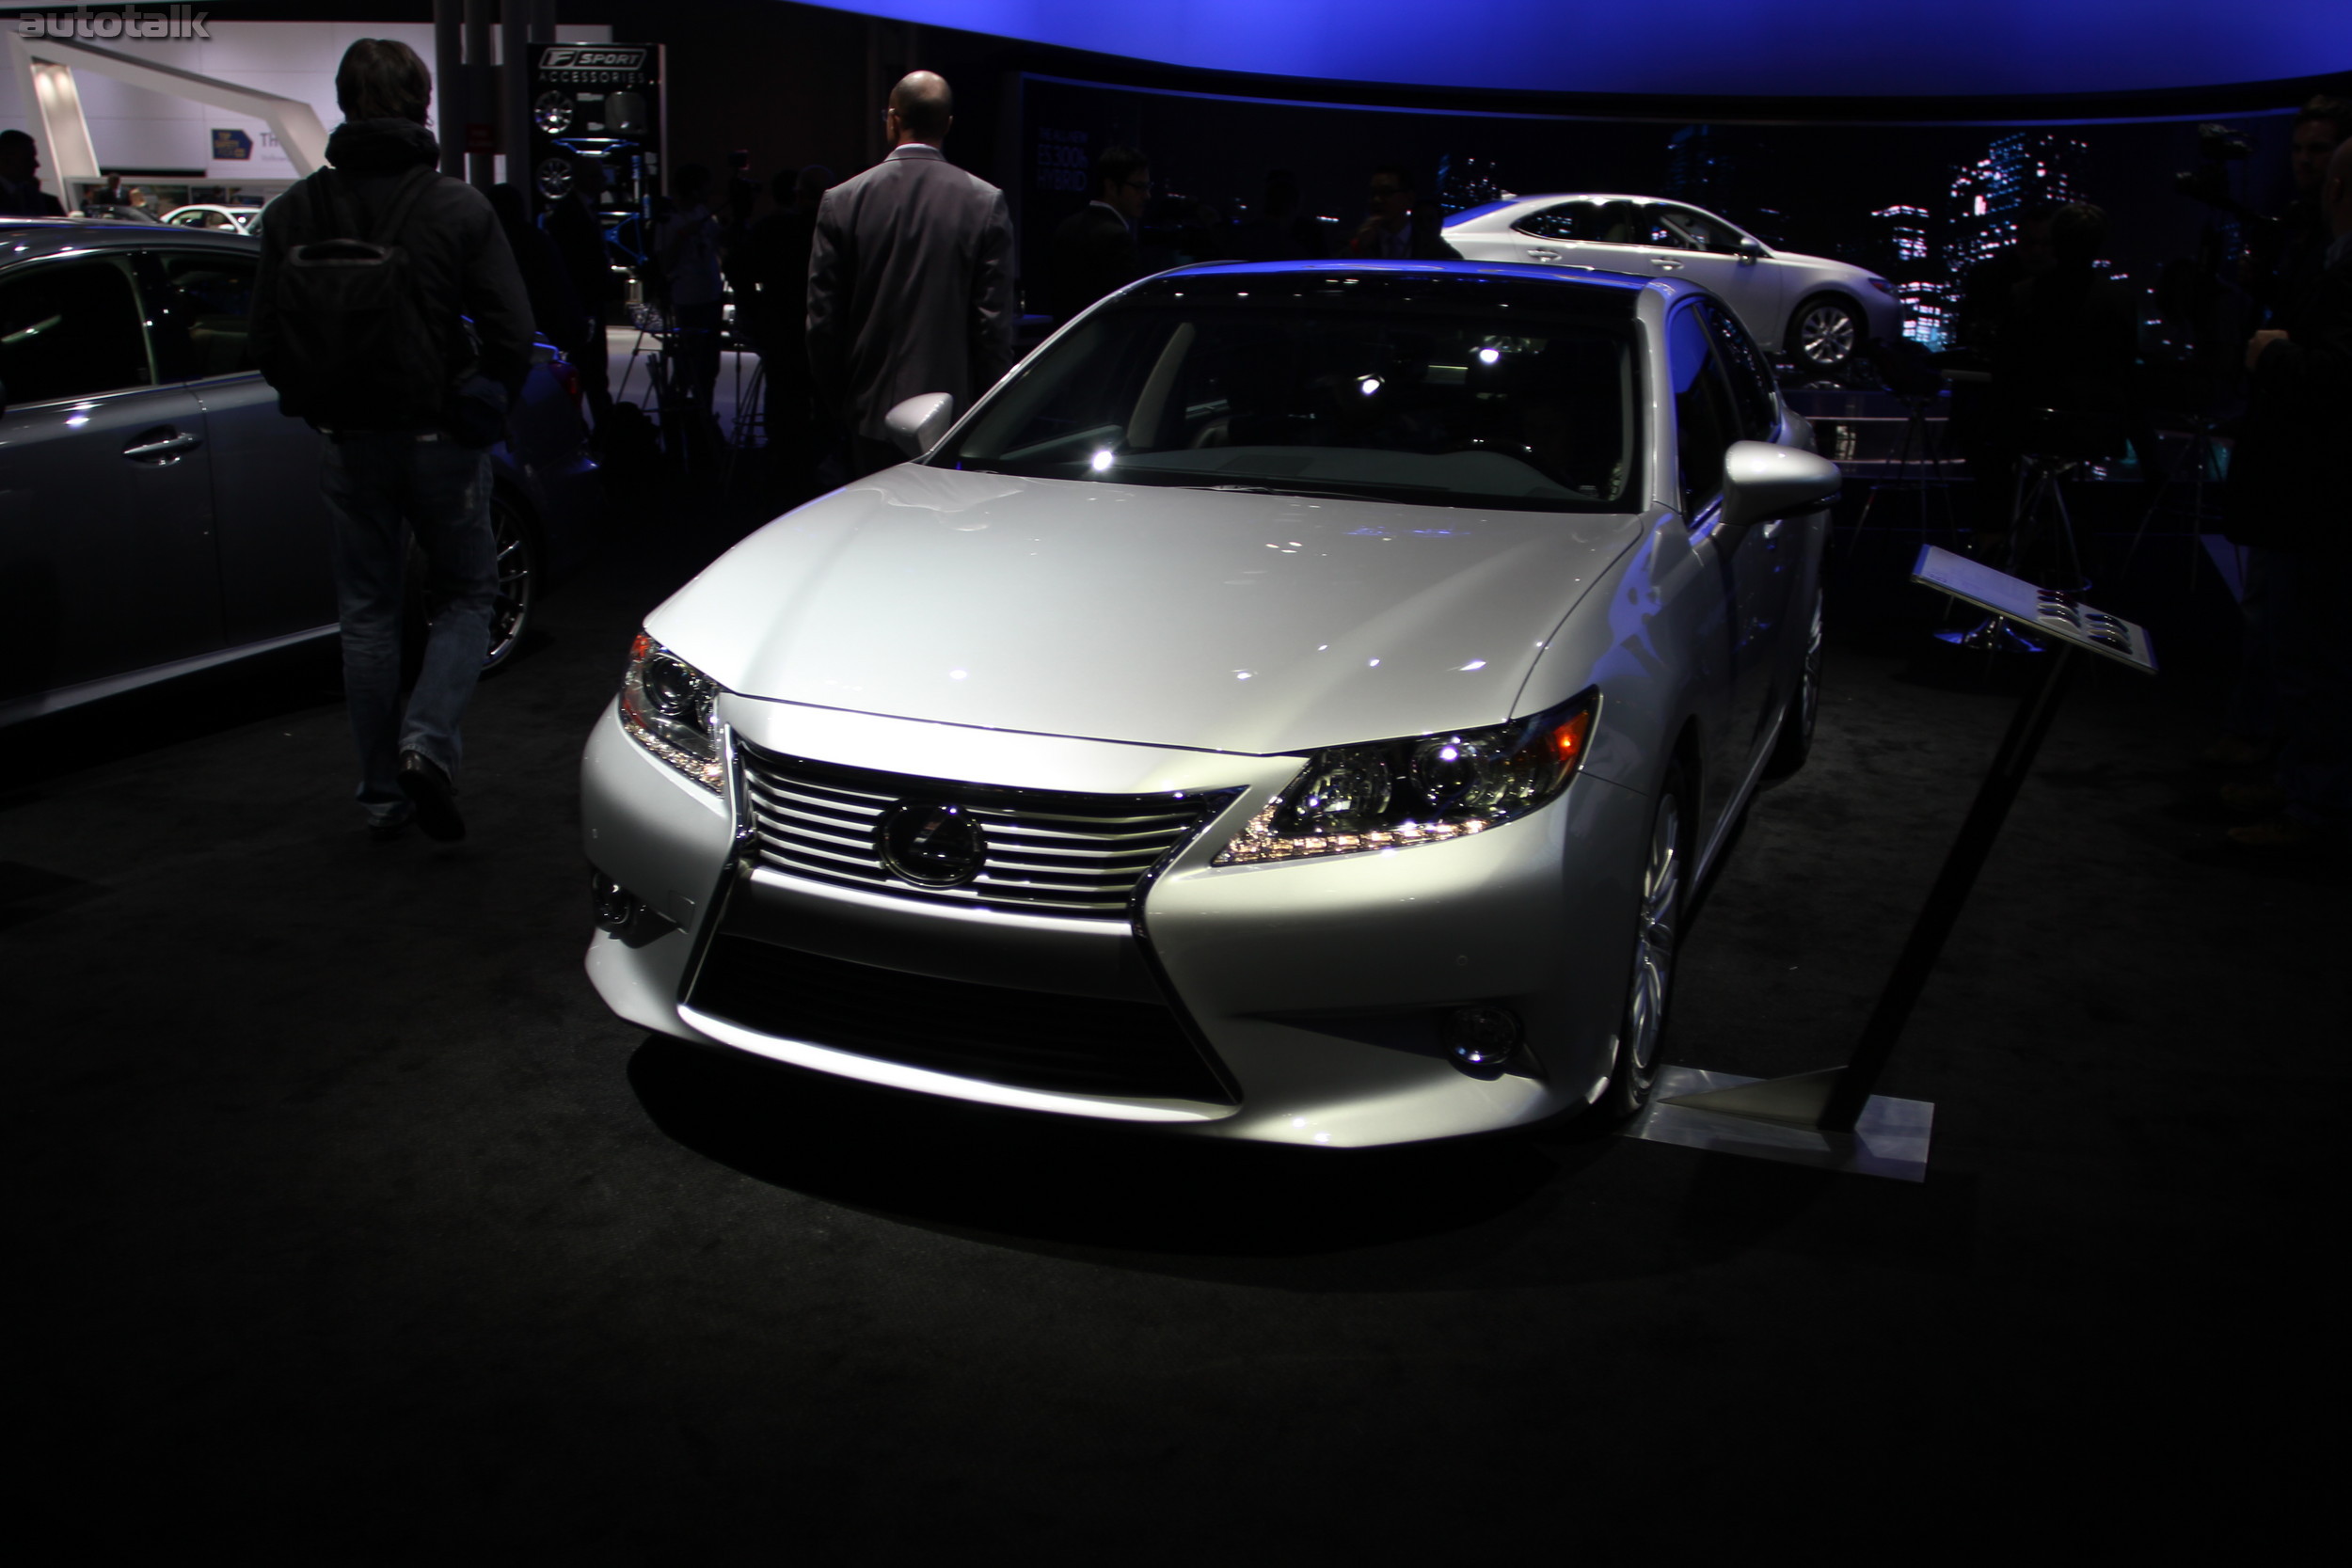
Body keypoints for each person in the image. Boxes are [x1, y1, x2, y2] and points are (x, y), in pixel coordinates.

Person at [249, 38, 533, 843]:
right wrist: (485, 401)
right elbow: (514, 331)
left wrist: (319, 403)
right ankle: (427, 742)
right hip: (441, 435)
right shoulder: (456, 207)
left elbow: (265, 337)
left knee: (368, 616)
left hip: (347, 439)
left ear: (343, 103)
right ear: (422, 104)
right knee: (469, 597)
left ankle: (380, 794)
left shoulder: (293, 211)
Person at [2214, 136, 2352, 851]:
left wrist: (2275, 353)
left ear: (2335, 189)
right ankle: (2304, 787)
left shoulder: (2345, 266)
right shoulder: (2322, 259)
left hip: (2319, 500)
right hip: (2312, 498)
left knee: (2314, 658)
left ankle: (2316, 813)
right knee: (2304, 651)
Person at [806, 70, 1014, 478]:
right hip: (955, 417)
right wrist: (990, 415)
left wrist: (843, 405)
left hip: (868, 413)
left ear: (892, 118)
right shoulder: (985, 203)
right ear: (948, 125)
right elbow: (993, 329)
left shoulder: (842, 201)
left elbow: (822, 325)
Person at [544, 158, 618, 428]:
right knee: (591, 366)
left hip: (587, 300)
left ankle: (588, 424)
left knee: (591, 367)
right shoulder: (569, 214)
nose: (604, 182)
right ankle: (597, 426)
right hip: (582, 302)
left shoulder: (580, 210)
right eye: (598, 176)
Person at [655, 163, 724, 426]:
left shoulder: (702, 211)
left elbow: (720, 243)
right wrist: (683, 236)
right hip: (688, 301)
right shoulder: (669, 220)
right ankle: (675, 419)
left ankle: (704, 417)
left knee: (710, 367)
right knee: (687, 366)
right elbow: (664, 264)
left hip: (712, 297)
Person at [1049, 144, 1147, 322]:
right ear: (1111, 186)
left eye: (1147, 187)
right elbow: (1128, 312)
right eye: (1138, 187)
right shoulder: (1117, 238)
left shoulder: (1066, 227)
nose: (1146, 195)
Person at [1348, 165, 1456, 261]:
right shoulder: (1354, 241)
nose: (1376, 200)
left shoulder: (1437, 250)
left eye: (1386, 192)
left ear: (1409, 198)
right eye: (1373, 193)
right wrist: (1359, 247)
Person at [0, 130, 65, 216]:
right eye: (28, 159)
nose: (37, 165)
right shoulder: (43, 201)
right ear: (6, 158)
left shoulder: (46, 202)